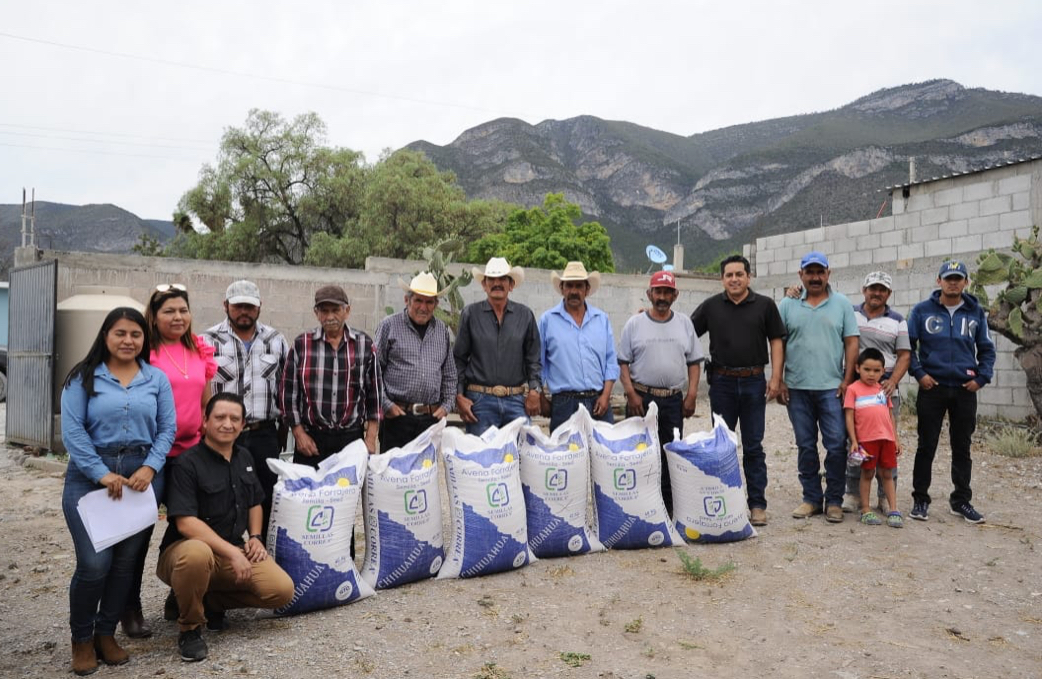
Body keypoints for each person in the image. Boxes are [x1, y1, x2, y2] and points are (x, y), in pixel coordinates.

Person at [60, 307, 175, 675]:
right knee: (95, 564)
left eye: (136, 335)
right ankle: (81, 639)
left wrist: (150, 467)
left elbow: (167, 429)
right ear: (106, 335)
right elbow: (73, 432)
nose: (128, 341)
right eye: (120, 333)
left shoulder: (156, 379)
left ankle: (105, 634)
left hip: (141, 480)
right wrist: (100, 472)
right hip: (89, 480)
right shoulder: (83, 377)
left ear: (145, 339)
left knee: (126, 564)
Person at [156, 393, 294, 663]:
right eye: (219, 417)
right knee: (197, 554)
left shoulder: (244, 456)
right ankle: (190, 628)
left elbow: (255, 501)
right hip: (183, 553)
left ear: (242, 425)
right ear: (205, 421)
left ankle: (205, 600)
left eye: (234, 419)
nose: (227, 424)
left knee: (281, 590)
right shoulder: (187, 463)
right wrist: (233, 553)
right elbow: (185, 522)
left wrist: (254, 537)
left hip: (230, 549)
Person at [126, 284, 215, 637]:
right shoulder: (144, 353)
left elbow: (206, 402)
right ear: (154, 315)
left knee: (187, 528)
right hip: (152, 457)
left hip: (190, 454)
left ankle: (180, 597)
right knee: (138, 534)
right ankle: (128, 607)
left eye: (183, 310)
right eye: (169, 311)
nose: (177, 317)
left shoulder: (199, 350)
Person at [691, 256, 785, 526]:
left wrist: (776, 378)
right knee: (722, 447)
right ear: (722, 279)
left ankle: (757, 505)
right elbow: (686, 331)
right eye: (729, 275)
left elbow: (776, 341)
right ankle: (725, 502)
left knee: (754, 446)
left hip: (754, 382)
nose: (734, 279)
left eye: (739, 274)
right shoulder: (710, 307)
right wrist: (649, 316)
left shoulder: (765, 305)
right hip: (722, 384)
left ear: (748, 277)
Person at [907, 260, 995, 524]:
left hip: (964, 389)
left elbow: (987, 349)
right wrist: (919, 373)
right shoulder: (922, 311)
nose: (953, 282)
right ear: (939, 281)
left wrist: (982, 378)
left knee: (962, 446)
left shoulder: (976, 312)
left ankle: (961, 501)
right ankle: (921, 499)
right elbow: (908, 347)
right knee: (926, 445)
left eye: (958, 278)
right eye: (948, 278)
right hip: (932, 388)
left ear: (966, 282)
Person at [202, 280, 289, 540]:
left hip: (263, 433)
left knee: (266, 496)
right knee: (222, 497)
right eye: (238, 306)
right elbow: (199, 387)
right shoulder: (207, 341)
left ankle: (263, 553)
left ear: (259, 307)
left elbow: (286, 387)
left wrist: (282, 430)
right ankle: (226, 555)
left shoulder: (276, 340)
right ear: (226, 306)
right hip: (222, 435)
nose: (244, 312)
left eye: (250, 307)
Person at [777, 251, 859, 523]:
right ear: (801, 275)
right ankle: (811, 498)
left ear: (828, 274)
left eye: (819, 272)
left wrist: (847, 381)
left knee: (836, 444)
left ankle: (834, 500)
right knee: (806, 445)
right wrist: (780, 380)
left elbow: (851, 343)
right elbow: (778, 344)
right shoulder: (787, 305)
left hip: (831, 389)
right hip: (797, 389)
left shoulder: (842, 304)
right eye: (809, 272)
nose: (814, 277)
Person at [619, 270, 703, 514]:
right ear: (649, 294)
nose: (662, 296)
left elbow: (694, 362)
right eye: (658, 291)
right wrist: (631, 395)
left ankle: (668, 512)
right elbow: (623, 362)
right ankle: (637, 509)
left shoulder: (685, 323)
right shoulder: (634, 324)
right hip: (640, 399)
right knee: (638, 454)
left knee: (670, 456)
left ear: (675, 295)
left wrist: (692, 395)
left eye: (668, 292)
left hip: (672, 401)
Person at [280, 284, 382, 464]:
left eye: (335, 310)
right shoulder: (302, 345)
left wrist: (370, 439)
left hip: (351, 438)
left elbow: (375, 396)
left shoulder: (364, 345)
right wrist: (298, 434)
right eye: (324, 311)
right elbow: (288, 394)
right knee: (308, 491)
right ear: (316, 313)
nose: (329, 317)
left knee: (347, 490)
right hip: (312, 439)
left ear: (347, 311)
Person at [841, 271, 911, 514]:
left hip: (884, 393)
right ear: (864, 290)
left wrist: (892, 380)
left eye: (882, 289)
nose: (877, 293)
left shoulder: (898, 321)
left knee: (886, 444)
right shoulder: (849, 313)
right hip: (856, 391)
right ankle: (851, 494)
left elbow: (904, 355)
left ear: (888, 294)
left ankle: (884, 497)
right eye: (873, 288)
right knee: (855, 444)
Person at [454, 257, 542, 435]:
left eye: (502, 279)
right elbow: (459, 359)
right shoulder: (470, 314)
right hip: (479, 402)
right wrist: (459, 396)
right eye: (491, 279)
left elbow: (533, 359)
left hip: (516, 401)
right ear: (484, 285)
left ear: (511, 285)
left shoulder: (525, 315)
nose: (497, 283)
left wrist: (535, 390)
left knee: (518, 457)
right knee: (482, 460)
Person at [375, 272, 457, 451]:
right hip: (396, 417)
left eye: (429, 302)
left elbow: (449, 374)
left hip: (430, 419)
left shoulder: (441, 330)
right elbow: (373, 371)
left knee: (426, 475)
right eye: (418, 301)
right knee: (395, 475)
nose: (423, 307)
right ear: (407, 300)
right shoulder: (389, 326)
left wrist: (446, 405)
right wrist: (386, 405)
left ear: (436, 304)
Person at [539, 261, 619, 432]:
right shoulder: (548, 320)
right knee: (565, 456)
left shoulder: (601, 319)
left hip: (598, 401)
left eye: (579, 286)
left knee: (603, 456)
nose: (574, 291)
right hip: (564, 404)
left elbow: (611, 361)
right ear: (562, 288)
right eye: (569, 286)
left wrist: (605, 396)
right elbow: (539, 363)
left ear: (587, 289)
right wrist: (540, 397)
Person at [843, 348, 903, 528]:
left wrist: (895, 438)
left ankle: (893, 509)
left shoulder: (884, 389)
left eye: (876, 370)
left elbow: (890, 415)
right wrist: (854, 440)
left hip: (886, 439)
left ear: (883, 371)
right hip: (866, 440)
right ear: (857, 368)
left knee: (887, 473)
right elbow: (849, 416)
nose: (871, 374)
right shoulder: (853, 390)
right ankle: (866, 509)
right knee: (867, 473)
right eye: (867, 369)